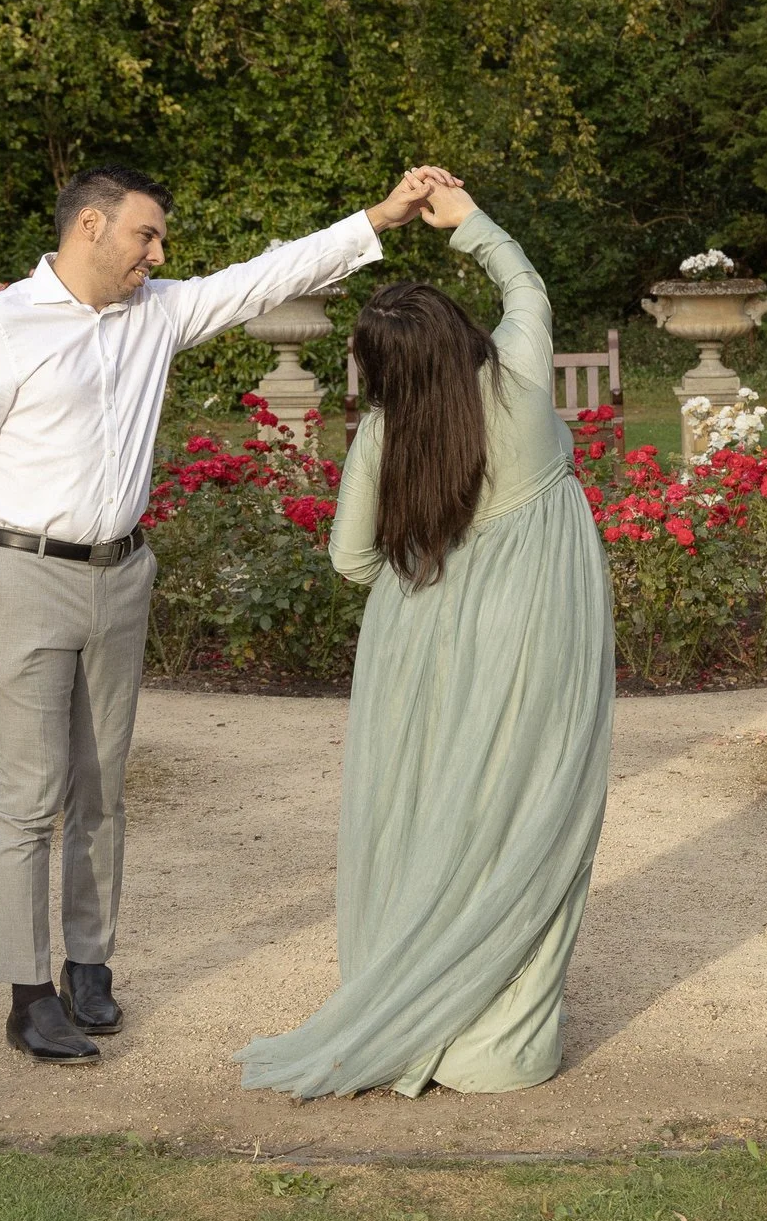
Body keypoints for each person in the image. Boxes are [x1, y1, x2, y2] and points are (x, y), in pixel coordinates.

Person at [0, 162, 458, 1063]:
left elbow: (265, 278)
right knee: (32, 794)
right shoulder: (0, 330)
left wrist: (381, 217)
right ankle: (27, 993)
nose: (157, 253)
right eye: (145, 235)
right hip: (20, 573)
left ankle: (89, 966)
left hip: (120, 576)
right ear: (89, 226)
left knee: (102, 790)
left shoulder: (155, 311)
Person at [237, 179, 614, 1098]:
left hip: (423, 639)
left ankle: (414, 1002)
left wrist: (426, 594)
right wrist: (470, 222)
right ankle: (500, 1044)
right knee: (532, 812)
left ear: (383, 370)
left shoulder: (384, 435)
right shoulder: (521, 376)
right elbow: (528, 289)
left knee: (428, 812)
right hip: (543, 630)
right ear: (459, 333)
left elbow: (350, 559)